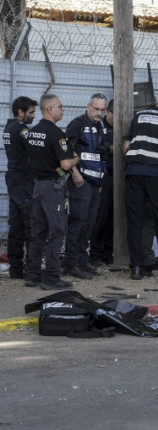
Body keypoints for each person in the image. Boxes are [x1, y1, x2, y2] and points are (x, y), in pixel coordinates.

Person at [25, 94, 79, 290]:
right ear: (50, 109)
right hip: (53, 188)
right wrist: (76, 159)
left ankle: (32, 275)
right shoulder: (56, 134)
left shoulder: (33, 132)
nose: (62, 109)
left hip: (38, 186)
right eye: (60, 106)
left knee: (38, 231)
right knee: (57, 231)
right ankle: (51, 277)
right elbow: (65, 163)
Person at [123, 99, 158, 280]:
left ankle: (136, 268)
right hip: (157, 174)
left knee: (135, 220)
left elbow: (126, 146)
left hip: (134, 171)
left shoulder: (138, 116)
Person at [62, 92, 109, 280]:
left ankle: (82, 262)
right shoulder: (77, 124)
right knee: (78, 223)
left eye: (102, 110)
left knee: (89, 224)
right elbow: (66, 149)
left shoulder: (102, 126)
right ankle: (71, 264)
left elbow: (101, 156)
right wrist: (75, 172)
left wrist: (100, 182)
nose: (99, 113)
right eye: (96, 109)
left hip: (95, 183)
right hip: (80, 182)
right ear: (88, 106)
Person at [3, 96, 37, 280]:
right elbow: (36, 146)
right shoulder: (20, 129)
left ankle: (16, 269)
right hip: (23, 183)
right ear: (20, 112)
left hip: (16, 181)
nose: (33, 116)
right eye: (31, 113)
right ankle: (32, 269)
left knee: (16, 226)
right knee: (30, 226)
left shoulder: (9, 127)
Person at [89, 99, 115, 266]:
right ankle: (96, 254)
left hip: (118, 177)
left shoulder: (124, 127)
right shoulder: (99, 127)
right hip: (102, 176)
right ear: (110, 113)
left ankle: (108, 253)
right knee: (101, 216)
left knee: (114, 217)